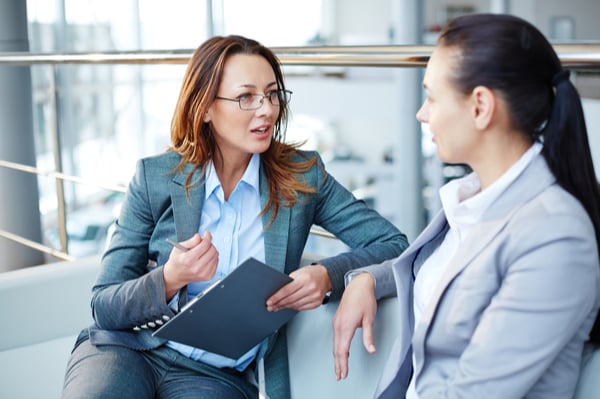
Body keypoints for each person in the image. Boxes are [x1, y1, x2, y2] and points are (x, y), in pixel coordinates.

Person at [60, 35, 408, 399]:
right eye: (246, 97)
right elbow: (104, 305)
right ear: (206, 107)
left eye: (272, 94)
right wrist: (170, 278)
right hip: (129, 349)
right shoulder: (155, 178)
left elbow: (394, 244)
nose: (267, 109)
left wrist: (329, 276)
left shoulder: (303, 177)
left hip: (214, 375)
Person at [332, 13, 600, 399]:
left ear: (480, 107)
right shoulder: (474, 198)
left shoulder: (555, 235)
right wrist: (368, 278)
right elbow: (446, 272)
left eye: (432, 97)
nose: (421, 114)